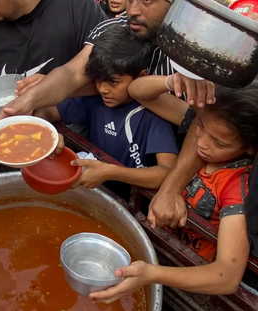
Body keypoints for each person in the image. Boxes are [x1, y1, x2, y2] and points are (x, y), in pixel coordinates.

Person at [1, 0, 215, 128]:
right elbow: (73, 73)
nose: (133, 10)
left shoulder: (201, 48)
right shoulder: (112, 27)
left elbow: (205, 125)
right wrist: (29, 99)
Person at [91, 82, 258, 302]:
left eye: (218, 142)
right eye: (200, 126)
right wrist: (173, 80)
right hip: (158, 247)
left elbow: (226, 276)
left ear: (250, 147)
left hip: (189, 273)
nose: (202, 143)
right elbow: (137, 91)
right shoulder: (209, 126)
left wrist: (151, 274)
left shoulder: (237, 185)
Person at [35, 25, 178, 195]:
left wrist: (110, 172)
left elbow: (165, 173)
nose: (103, 89)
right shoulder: (95, 101)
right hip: (95, 191)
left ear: (141, 77)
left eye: (113, 82)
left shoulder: (153, 116)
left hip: (130, 199)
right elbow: (47, 111)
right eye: (98, 80)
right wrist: (47, 133)